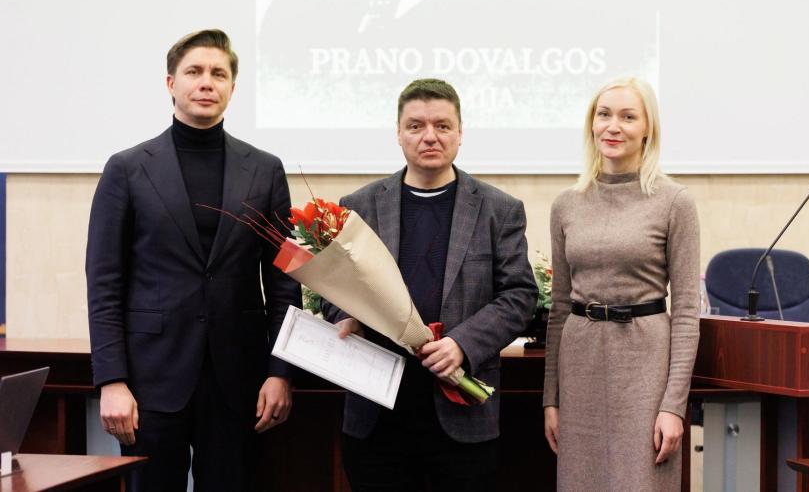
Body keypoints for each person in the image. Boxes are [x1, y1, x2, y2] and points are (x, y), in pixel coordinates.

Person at [86, 29, 300, 491]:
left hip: (239, 381)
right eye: (194, 71)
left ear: (232, 88)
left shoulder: (265, 169)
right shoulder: (127, 169)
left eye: (218, 74)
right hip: (150, 380)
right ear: (171, 83)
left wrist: (280, 372)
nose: (206, 82)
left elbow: (284, 282)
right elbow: (104, 284)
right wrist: (112, 381)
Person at [322, 78, 537, 492]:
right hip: (376, 414)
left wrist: (462, 344)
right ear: (398, 133)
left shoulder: (499, 210)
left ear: (460, 133)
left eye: (442, 125)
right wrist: (347, 316)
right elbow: (333, 288)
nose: (430, 136)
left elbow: (519, 296)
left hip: (460, 413)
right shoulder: (358, 206)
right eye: (416, 126)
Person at [542, 76, 700, 491]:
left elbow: (686, 312)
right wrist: (550, 398)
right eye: (604, 115)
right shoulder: (566, 204)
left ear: (648, 128)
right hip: (580, 363)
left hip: (645, 364)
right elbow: (559, 308)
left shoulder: (675, 201)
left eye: (628, 117)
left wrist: (673, 406)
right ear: (591, 124)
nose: (613, 127)